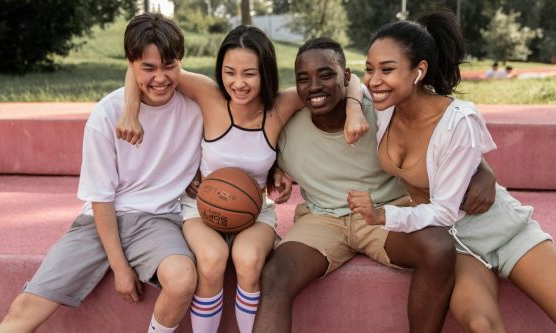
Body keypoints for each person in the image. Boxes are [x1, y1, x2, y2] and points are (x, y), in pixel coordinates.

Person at [116, 26, 367, 333]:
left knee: (248, 260)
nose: (238, 83)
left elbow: (351, 79)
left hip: (254, 211)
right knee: (211, 258)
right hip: (200, 208)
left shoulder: (281, 105)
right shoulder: (209, 94)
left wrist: (354, 109)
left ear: (266, 72)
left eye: (249, 73)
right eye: (229, 72)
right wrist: (129, 112)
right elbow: (142, 69)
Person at [253, 37, 497, 333]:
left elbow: (441, 131)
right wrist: (275, 168)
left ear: (346, 77)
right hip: (322, 218)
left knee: (437, 246)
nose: (314, 86)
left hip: (386, 213)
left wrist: (484, 170)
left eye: (326, 75)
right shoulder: (287, 126)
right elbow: (249, 150)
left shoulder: (381, 108)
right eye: (304, 79)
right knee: (276, 274)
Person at [0, 13, 202, 333]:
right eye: (148, 68)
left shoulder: (196, 107)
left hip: (157, 219)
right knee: (26, 306)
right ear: (131, 65)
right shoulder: (107, 114)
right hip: (100, 219)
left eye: (168, 66)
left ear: (181, 63)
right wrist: (119, 267)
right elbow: (101, 197)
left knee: (183, 278)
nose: (160, 77)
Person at [353, 9, 556, 331]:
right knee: (480, 324)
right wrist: (353, 110)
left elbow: (445, 210)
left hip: (498, 229)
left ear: (419, 71)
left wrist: (384, 216)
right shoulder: (385, 107)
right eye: (369, 69)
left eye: (387, 69)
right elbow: (345, 82)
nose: (374, 80)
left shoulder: (458, 120)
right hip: (456, 244)